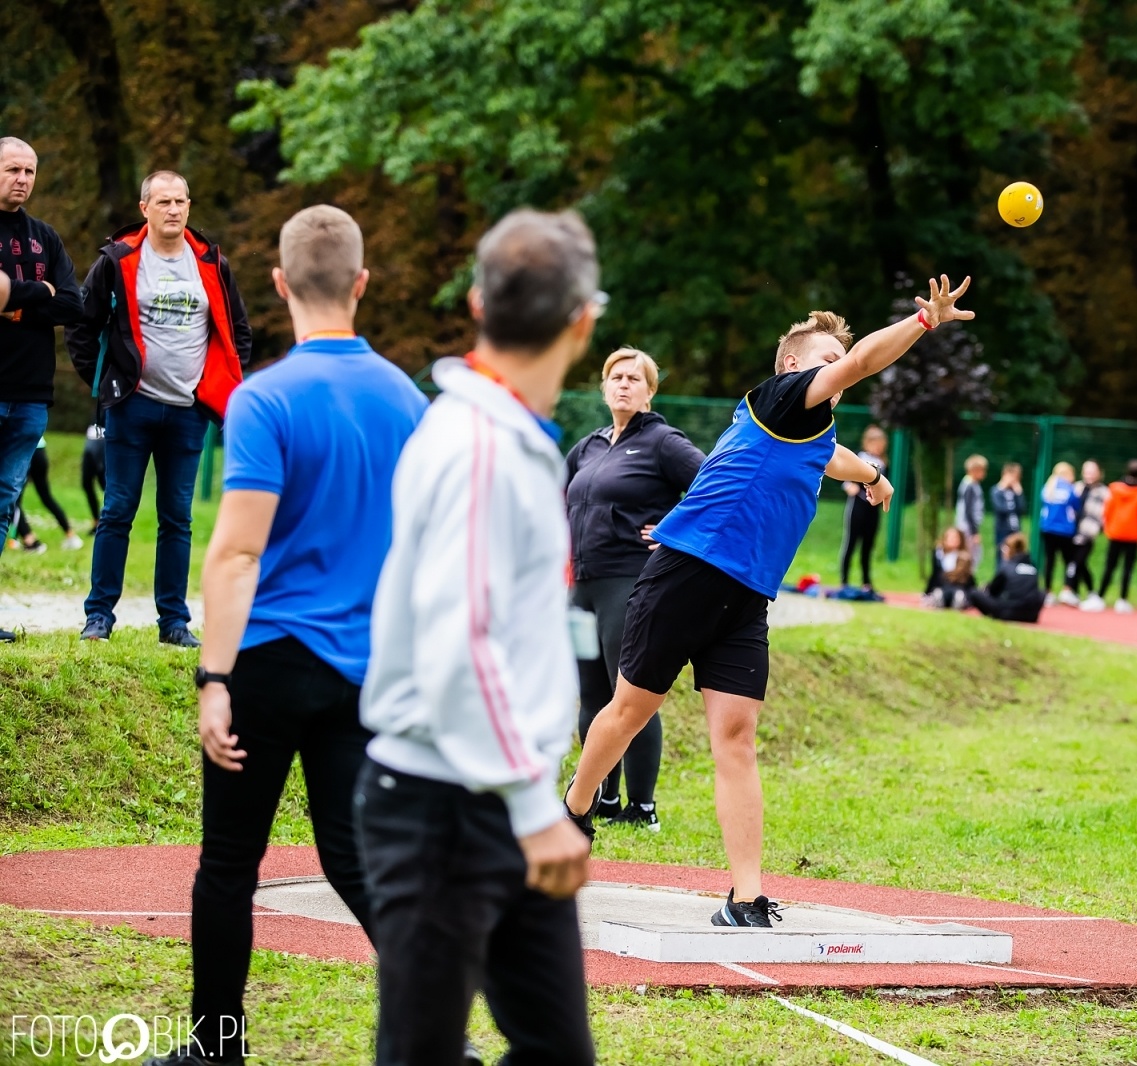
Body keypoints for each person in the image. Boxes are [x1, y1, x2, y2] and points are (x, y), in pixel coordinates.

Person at [566, 275, 974, 928]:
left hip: (747, 597)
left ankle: (745, 895)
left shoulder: (807, 430)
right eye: (825, 361)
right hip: (687, 572)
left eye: (835, 363)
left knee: (737, 738)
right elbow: (867, 360)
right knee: (628, 711)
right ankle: (577, 808)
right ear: (791, 366)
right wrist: (924, 322)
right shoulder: (780, 396)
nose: (838, 369)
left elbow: (830, 456)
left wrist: (872, 475)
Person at [158, 206, 428, 1066]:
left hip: (269, 662)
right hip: (367, 669)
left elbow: (237, 551)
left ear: (276, 285)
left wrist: (212, 677)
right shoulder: (410, 400)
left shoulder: (265, 396)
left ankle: (216, 1048)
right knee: (357, 862)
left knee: (230, 864)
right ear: (360, 282)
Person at [360, 209, 601, 1066]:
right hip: (442, 805)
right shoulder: (480, 448)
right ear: (584, 319)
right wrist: (538, 811)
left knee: (555, 1051)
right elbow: (457, 644)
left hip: (501, 795)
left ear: (475, 303)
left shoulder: (506, 437)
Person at [67, 169, 252, 646]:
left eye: (181, 201)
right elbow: (81, 325)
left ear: (190, 206)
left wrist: (215, 387)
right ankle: (99, 617)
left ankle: (173, 622)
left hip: (189, 411)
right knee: (118, 511)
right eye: (164, 201)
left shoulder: (210, 262)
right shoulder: (117, 260)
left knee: (178, 517)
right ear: (144, 207)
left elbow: (238, 334)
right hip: (133, 406)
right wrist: (105, 385)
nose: (173, 209)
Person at [565, 347, 705, 832]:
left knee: (630, 696)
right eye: (616, 377)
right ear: (604, 388)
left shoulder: (664, 442)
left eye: (634, 378)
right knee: (591, 697)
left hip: (630, 584)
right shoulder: (588, 447)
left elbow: (713, 485)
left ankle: (641, 806)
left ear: (650, 391)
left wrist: (675, 528)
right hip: (581, 589)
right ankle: (603, 797)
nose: (623, 384)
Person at [0, 137, 83, 641]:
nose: (23, 179)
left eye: (30, 171)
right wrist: (41, 293)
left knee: (5, 500)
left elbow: (72, 304)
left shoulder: (44, 237)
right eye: (13, 169)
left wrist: (16, 301)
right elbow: (52, 297)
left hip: (31, 393)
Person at [1082, 459, 1137, 614]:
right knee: (1127, 569)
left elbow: (1107, 510)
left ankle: (1100, 597)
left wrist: (1108, 528)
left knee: (1109, 567)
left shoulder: (1114, 488)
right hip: (1133, 536)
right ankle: (1122, 600)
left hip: (1115, 533)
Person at [10, 438, 84, 552]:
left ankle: (31, 542)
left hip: (25, 451)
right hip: (40, 451)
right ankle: (71, 535)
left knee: (13, 500)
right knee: (46, 497)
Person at [840, 424, 888, 589]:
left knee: (868, 546)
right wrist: (848, 486)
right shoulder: (859, 458)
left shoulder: (882, 463)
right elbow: (845, 475)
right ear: (867, 443)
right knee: (851, 543)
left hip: (873, 510)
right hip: (858, 507)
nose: (879, 447)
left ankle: (866, 582)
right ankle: (844, 580)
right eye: (876, 443)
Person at [970, 532, 1047, 623]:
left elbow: (993, 591)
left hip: (1008, 613)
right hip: (1031, 615)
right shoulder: (1033, 568)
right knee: (1041, 592)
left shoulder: (1007, 567)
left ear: (1008, 550)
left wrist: (985, 588)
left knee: (974, 593)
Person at [1065, 459, 1109, 607]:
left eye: (1092, 471)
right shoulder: (1076, 487)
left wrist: (1097, 528)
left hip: (1087, 533)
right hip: (1071, 531)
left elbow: (1103, 514)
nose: (1089, 475)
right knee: (1076, 563)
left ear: (1099, 473)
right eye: (1087, 471)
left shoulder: (1104, 492)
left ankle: (1086, 591)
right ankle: (1076, 592)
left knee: (1078, 561)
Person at [1037, 462, 1078, 604]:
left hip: (1047, 529)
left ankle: (1047, 591)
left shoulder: (1048, 487)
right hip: (1065, 531)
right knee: (1069, 560)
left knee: (1049, 561)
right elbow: (1076, 506)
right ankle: (1067, 589)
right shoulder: (1069, 488)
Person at [921, 526, 975, 609]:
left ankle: (959, 600)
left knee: (958, 593)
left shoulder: (964, 557)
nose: (953, 540)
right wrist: (927, 592)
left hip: (958, 586)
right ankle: (938, 598)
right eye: (950, 538)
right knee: (941, 591)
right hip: (942, 586)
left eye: (955, 538)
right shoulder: (939, 555)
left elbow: (969, 578)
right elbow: (934, 575)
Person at [955, 453, 988, 570]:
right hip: (967, 528)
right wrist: (974, 532)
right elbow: (968, 510)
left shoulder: (972, 484)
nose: (984, 473)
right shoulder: (969, 486)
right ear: (974, 470)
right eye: (982, 470)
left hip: (968, 527)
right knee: (972, 556)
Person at [990, 461, 1025, 550]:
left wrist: (1019, 493)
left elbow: (1022, 508)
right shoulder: (996, 490)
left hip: (1015, 528)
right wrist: (1002, 487)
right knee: (1002, 554)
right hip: (1002, 529)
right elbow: (1000, 508)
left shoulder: (1015, 493)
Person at [82, 424, 106, 533]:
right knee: (86, 483)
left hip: (104, 439)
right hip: (91, 436)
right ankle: (96, 521)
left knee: (105, 484)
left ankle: (106, 520)